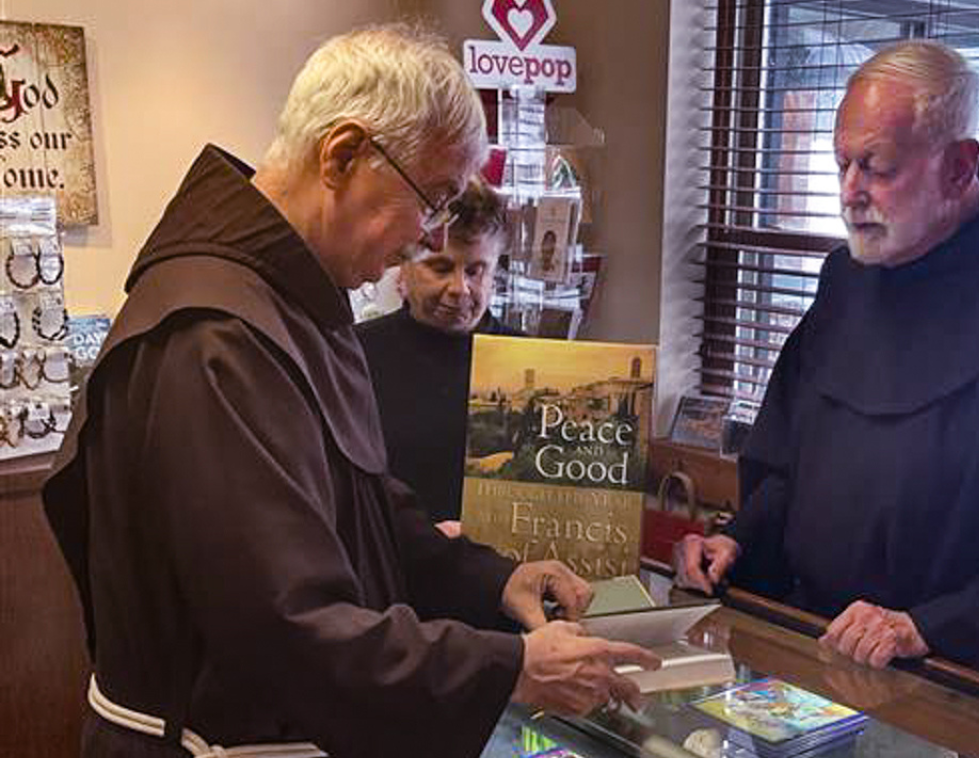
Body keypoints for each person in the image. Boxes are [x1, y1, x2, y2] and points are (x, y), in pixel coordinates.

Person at [42, 23, 658, 758]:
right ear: (341, 155)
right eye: (430, 201)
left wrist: (494, 578)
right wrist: (511, 669)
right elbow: (285, 627)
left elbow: (359, 498)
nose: (425, 240)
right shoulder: (214, 339)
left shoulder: (284, 300)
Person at [675, 40, 979, 696]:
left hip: (952, 690)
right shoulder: (848, 284)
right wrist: (739, 540)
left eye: (876, 167)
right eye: (841, 163)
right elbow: (792, 466)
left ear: (959, 168)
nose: (850, 193)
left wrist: (925, 626)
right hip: (810, 667)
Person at [357, 176, 521, 538]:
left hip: (505, 581)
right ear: (404, 266)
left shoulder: (534, 363)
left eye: (476, 270)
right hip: (393, 578)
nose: (460, 289)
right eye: (442, 268)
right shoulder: (354, 356)